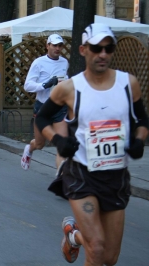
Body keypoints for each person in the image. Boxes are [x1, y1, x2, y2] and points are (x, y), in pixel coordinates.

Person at [35, 23, 148, 265]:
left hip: (116, 176)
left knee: (110, 257)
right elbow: (43, 117)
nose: (103, 54)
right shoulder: (70, 88)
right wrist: (58, 140)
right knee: (96, 249)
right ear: (83, 50)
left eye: (108, 48)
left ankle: (73, 237)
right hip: (82, 174)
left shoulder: (129, 84)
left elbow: (142, 120)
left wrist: (139, 141)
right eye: (96, 48)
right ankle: (82, 238)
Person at [21, 33, 69, 170]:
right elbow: (28, 85)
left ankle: (61, 176)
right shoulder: (38, 63)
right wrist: (45, 85)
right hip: (42, 107)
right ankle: (29, 149)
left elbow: (65, 78)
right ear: (47, 46)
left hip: (60, 107)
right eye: (54, 45)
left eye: (60, 46)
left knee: (62, 143)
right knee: (40, 144)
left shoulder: (64, 62)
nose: (58, 48)